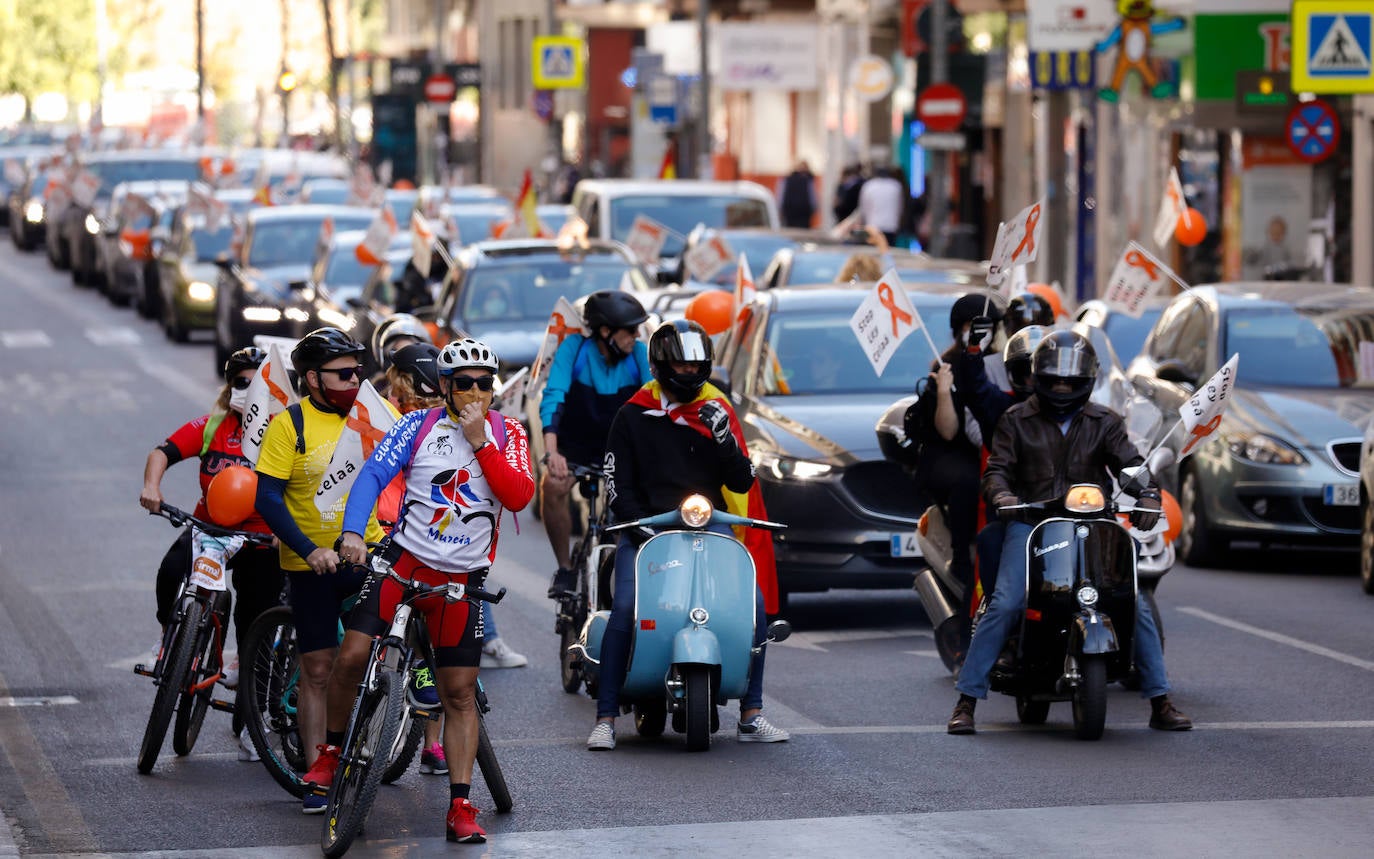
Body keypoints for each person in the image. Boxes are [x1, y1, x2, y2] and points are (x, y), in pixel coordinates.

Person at [946, 329, 1191, 735]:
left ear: (1087, 382)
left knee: (1135, 603)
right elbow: (997, 470)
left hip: (1094, 524)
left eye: (1071, 381)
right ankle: (967, 700)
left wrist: (1148, 494)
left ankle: (1160, 700)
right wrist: (1003, 495)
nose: (1062, 387)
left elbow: (1130, 464)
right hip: (1029, 522)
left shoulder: (1106, 422)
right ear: (1037, 377)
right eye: (1054, 379)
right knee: (1006, 602)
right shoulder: (1015, 420)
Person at [338, 337, 534, 844]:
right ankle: (329, 754)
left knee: (459, 693)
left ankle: (461, 807)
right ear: (444, 386)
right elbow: (373, 475)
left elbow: (517, 496)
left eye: (484, 383)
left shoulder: (508, 431)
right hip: (403, 564)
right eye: (463, 383)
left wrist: (481, 443)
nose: (474, 391)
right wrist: (354, 534)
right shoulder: (416, 425)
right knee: (352, 654)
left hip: (459, 582)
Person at [586, 319, 789, 751]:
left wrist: (725, 442)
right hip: (648, 528)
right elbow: (617, 480)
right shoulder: (633, 414)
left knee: (754, 607)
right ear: (659, 365)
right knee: (625, 608)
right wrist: (637, 522)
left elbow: (741, 482)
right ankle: (604, 717)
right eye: (680, 362)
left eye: (697, 362)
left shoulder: (715, 412)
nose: (690, 370)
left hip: (708, 523)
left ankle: (751, 712)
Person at [253, 327, 392, 813]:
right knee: (318, 668)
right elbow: (267, 497)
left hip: (365, 554)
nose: (356, 379)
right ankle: (318, 773)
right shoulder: (289, 425)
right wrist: (310, 549)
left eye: (359, 370)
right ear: (312, 378)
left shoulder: (369, 416)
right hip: (310, 563)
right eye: (344, 372)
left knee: (365, 656)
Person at [139, 347, 285, 763]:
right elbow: (162, 451)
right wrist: (153, 486)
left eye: (258, 382)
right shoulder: (213, 425)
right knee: (171, 572)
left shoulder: (285, 430)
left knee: (256, 618)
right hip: (211, 530)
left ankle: (252, 723)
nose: (249, 389)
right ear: (229, 387)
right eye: (241, 381)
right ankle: (173, 641)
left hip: (262, 538)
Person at [905, 295, 1005, 661]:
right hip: (953, 455)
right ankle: (965, 558)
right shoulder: (945, 365)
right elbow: (948, 431)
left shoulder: (1004, 364)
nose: (979, 333)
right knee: (968, 484)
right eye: (970, 327)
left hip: (995, 451)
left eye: (987, 326)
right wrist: (945, 389)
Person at [542, 290, 652, 598]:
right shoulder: (574, 350)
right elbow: (554, 397)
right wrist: (552, 452)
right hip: (575, 444)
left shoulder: (639, 355)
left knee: (634, 509)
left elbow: (652, 406)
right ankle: (565, 568)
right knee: (552, 486)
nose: (637, 334)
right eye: (631, 329)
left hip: (619, 447)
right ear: (605, 331)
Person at [857, 166, 905, 246]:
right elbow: (900, 207)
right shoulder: (896, 186)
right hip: (891, 225)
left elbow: (863, 207)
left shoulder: (869, 186)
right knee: (888, 251)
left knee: (873, 252)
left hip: (873, 224)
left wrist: (863, 223)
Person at [777, 160, 817, 229]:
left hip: (795, 212)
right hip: (799, 212)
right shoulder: (808, 180)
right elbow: (812, 197)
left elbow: (781, 195)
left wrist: (780, 208)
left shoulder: (788, 179)